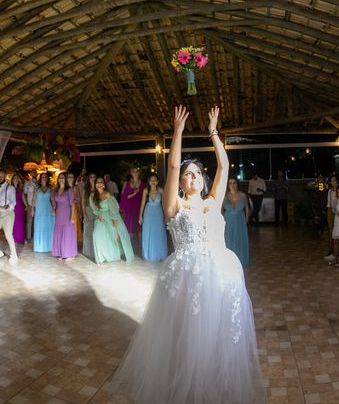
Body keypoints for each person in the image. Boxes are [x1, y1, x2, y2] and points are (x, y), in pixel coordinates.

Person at [113, 106, 265, 403]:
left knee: (218, 334)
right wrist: (178, 132)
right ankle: (186, 385)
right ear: (181, 181)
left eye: (196, 174)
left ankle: (214, 381)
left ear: (203, 180)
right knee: (187, 336)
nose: (191, 177)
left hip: (221, 275)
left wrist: (213, 132)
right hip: (186, 280)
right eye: (187, 175)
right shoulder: (175, 206)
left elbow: (224, 165)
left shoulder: (212, 202)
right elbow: (171, 168)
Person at [90, 176, 134, 264]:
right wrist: (98, 216)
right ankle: (101, 256)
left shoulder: (107, 194)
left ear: (103, 185)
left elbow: (114, 207)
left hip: (110, 216)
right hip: (100, 218)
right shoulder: (92, 196)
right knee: (96, 234)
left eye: (101, 182)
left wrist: (114, 219)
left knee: (116, 235)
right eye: (97, 182)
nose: (99, 183)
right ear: (95, 185)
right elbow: (94, 209)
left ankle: (115, 254)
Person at [138, 173, 167, 261]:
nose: (153, 181)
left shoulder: (161, 190)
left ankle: (159, 253)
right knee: (148, 232)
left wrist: (166, 215)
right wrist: (140, 216)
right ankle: (148, 254)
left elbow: (164, 204)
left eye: (155, 180)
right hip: (148, 213)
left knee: (159, 232)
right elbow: (142, 203)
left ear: (157, 182)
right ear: (149, 181)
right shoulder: (146, 190)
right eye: (151, 180)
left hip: (158, 213)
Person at [223, 177, 250, 266]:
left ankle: (240, 260)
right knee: (229, 240)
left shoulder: (242, 195)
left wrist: (246, 219)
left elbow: (246, 207)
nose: (232, 185)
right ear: (228, 185)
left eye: (234, 183)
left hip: (240, 221)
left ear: (237, 184)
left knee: (239, 240)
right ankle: (229, 261)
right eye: (230, 183)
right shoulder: (225, 195)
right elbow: (220, 210)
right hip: (228, 221)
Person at [52, 172, 77, 260]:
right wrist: (53, 209)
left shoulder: (69, 190)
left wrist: (72, 217)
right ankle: (60, 252)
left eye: (63, 178)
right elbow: (54, 203)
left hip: (67, 214)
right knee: (59, 232)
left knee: (68, 232)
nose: (61, 179)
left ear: (65, 180)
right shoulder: (55, 190)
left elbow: (73, 204)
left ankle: (70, 254)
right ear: (58, 180)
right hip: (59, 215)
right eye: (60, 178)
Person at [120, 167, 145, 252]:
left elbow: (144, 197)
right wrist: (134, 193)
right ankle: (128, 250)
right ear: (131, 172)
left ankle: (142, 249)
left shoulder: (143, 183)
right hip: (130, 209)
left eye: (137, 171)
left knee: (140, 230)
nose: (135, 173)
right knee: (129, 230)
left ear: (139, 173)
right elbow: (123, 197)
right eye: (133, 171)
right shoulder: (126, 183)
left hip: (139, 208)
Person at [32, 173, 55, 252]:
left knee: (48, 228)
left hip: (48, 211)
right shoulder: (36, 188)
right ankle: (40, 247)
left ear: (47, 178)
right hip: (39, 210)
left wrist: (54, 208)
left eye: (45, 177)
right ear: (40, 178)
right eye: (42, 177)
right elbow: (33, 200)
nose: (44, 178)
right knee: (39, 228)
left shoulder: (50, 188)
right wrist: (32, 209)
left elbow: (52, 200)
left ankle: (49, 247)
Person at [324, 174, 339, 261]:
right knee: (331, 232)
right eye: (331, 181)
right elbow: (329, 204)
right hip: (331, 211)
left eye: (335, 180)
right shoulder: (330, 192)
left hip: (338, 212)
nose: (333, 182)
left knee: (338, 233)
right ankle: (331, 251)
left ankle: (337, 252)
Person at [82, 172, 96, 260]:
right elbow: (83, 203)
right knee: (87, 232)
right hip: (88, 210)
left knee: (95, 232)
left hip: (97, 211)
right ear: (88, 178)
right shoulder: (85, 189)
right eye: (91, 177)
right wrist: (84, 215)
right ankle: (87, 251)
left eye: (94, 176)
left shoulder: (98, 188)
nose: (93, 178)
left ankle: (95, 250)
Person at [11, 173, 26, 247]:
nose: (16, 179)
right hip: (13, 207)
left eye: (17, 178)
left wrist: (26, 205)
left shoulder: (20, 188)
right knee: (14, 223)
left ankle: (21, 239)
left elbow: (23, 197)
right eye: (14, 178)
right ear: (12, 180)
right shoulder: (10, 188)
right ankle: (14, 239)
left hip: (20, 207)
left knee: (21, 223)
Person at [23, 170, 37, 245]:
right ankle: (28, 237)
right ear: (31, 174)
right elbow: (23, 195)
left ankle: (35, 236)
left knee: (37, 221)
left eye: (35, 173)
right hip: (30, 205)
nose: (34, 174)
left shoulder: (39, 183)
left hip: (38, 205)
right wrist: (26, 205)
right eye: (33, 173)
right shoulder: (27, 183)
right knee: (29, 221)